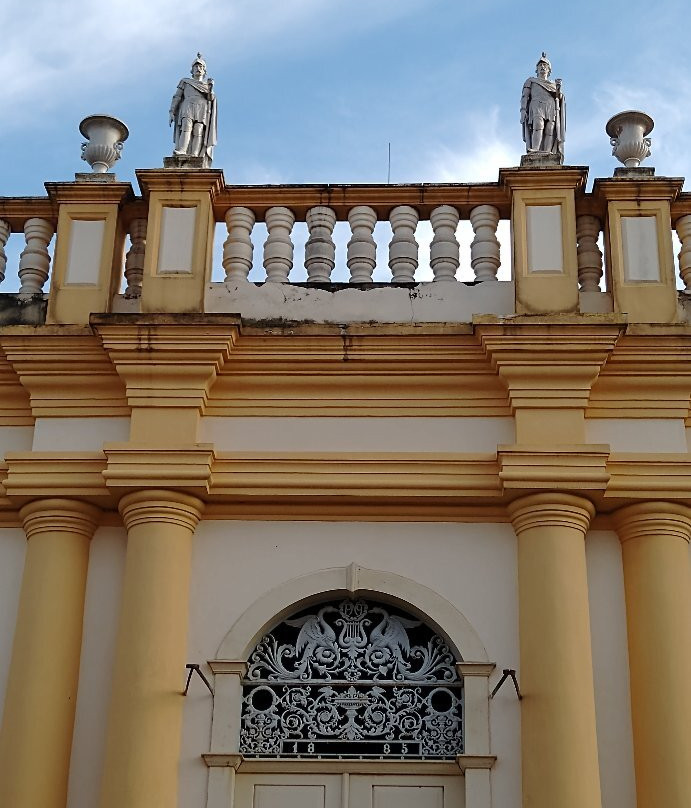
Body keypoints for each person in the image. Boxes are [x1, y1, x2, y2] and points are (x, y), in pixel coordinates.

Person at [169, 53, 217, 163]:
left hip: (202, 108)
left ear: (204, 71)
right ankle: (182, 150)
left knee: (198, 130)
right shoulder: (185, 82)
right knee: (186, 127)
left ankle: (195, 155)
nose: (198, 69)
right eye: (196, 67)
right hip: (188, 105)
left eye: (201, 67)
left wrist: (210, 88)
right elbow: (177, 96)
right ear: (192, 70)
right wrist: (172, 111)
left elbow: (210, 98)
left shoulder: (206, 85)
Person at [520, 53, 565, 159]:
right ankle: (535, 149)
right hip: (536, 105)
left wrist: (558, 88)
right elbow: (525, 96)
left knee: (550, 129)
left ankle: (547, 151)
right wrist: (523, 110)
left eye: (545, 66)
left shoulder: (552, 84)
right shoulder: (531, 81)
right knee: (538, 125)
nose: (542, 67)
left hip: (550, 106)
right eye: (540, 66)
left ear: (549, 70)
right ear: (536, 69)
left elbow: (558, 97)